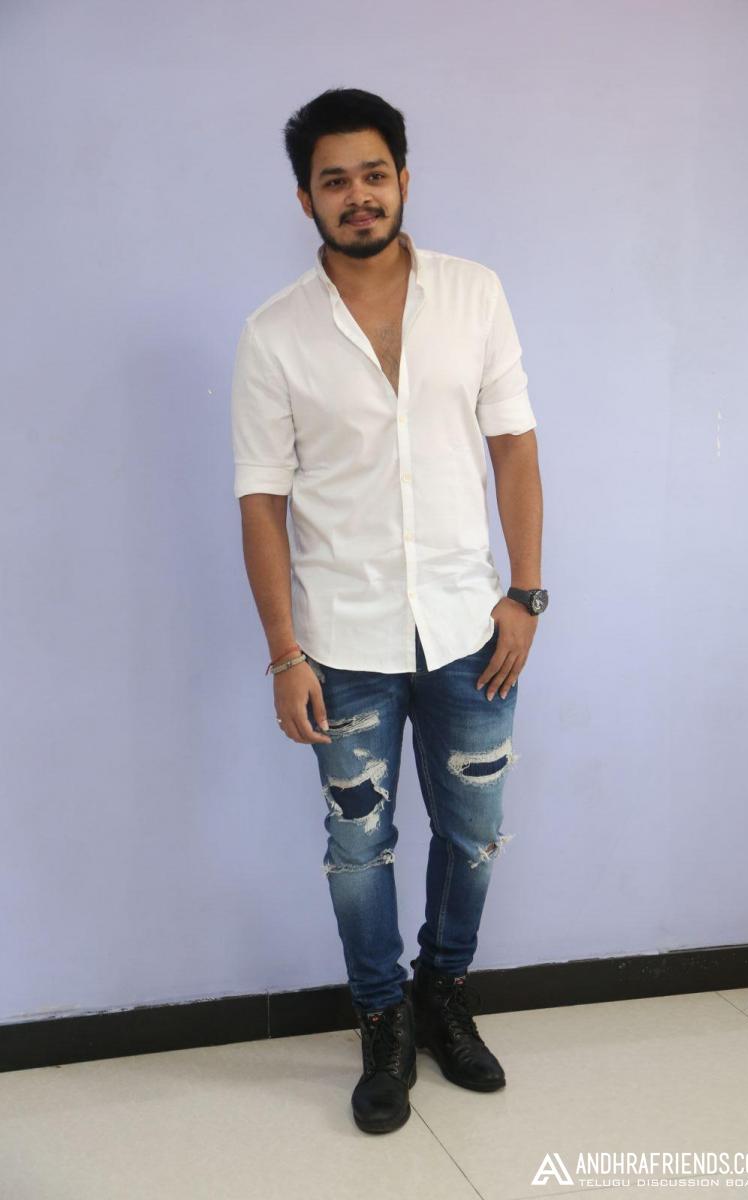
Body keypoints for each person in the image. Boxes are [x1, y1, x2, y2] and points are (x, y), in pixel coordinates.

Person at [231, 87, 547, 1135]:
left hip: (468, 631)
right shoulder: (274, 333)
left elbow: (514, 447)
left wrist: (525, 594)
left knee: (475, 833)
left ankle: (442, 993)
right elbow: (262, 502)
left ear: (404, 179)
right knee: (357, 847)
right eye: (335, 180)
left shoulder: (474, 294)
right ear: (305, 198)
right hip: (343, 640)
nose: (357, 195)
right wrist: (285, 653)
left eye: (374, 174)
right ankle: (381, 1019)